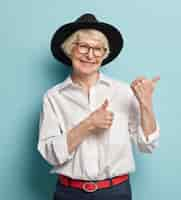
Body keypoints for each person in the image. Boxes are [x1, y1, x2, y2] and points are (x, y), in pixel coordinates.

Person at [37, 13, 161, 200]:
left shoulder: (123, 91)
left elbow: (147, 145)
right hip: (69, 194)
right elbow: (50, 154)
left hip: (116, 192)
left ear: (104, 55)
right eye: (83, 47)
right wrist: (88, 124)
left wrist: (146, 104)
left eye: (98, 49)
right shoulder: (54, 97)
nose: (90, 55)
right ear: (70, 50)